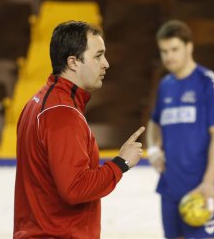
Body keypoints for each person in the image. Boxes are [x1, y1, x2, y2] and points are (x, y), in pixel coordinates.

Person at [13, 20, 145, 238]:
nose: (106, 64)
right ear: (73, 62)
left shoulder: (36, 103)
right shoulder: (62, 113)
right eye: (98, 56)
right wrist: (121, 163)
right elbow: (75, 189)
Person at [147, 20, 214, 238]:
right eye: (164, 51)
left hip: (200, 189)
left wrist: (209, 182)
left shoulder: (209, 83)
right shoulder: (165, 85)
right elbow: (154, 122)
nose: (168, 56)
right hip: (170, 188)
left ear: (189, 47)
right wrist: (153, 149)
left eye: (174, 49)